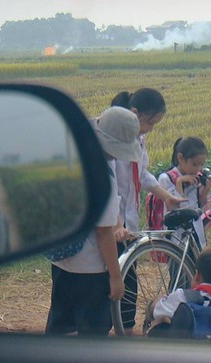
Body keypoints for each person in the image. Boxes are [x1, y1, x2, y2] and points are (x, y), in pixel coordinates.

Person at [45, 106, 138, 336]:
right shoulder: (103, 178)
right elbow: (103, 233)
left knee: (60, 325)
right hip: (90, 269)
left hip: (61, 258)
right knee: (92, 333)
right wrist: (116, 278)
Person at [109, 88, 184, 335]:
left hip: (127, 225)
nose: (150, 128)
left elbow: (142, 175)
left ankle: (126, 333)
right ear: (134, 114)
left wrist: (167, 197)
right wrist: (115, 224)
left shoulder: (139, 141)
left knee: (129, 283)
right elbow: (108, 185)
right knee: (111, 282)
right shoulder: (112, 141)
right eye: (150, 122)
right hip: (109, 225)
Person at [146, 249, 211, 339]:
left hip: (183, 351)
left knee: (161, 321)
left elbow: (156, 311)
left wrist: (158, 299)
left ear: (197, 275)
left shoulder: (181, 296)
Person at [159, 136, 211, 251]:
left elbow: (201, 204)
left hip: (195, 229)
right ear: (180, 158)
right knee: (178, 264)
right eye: (194, 164)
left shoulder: (196, 178)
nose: (198, 169)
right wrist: (179, 183)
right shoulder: (167, 179)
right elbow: (174, 208)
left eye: (201, 165)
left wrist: (206, 189)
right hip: (177, 234)